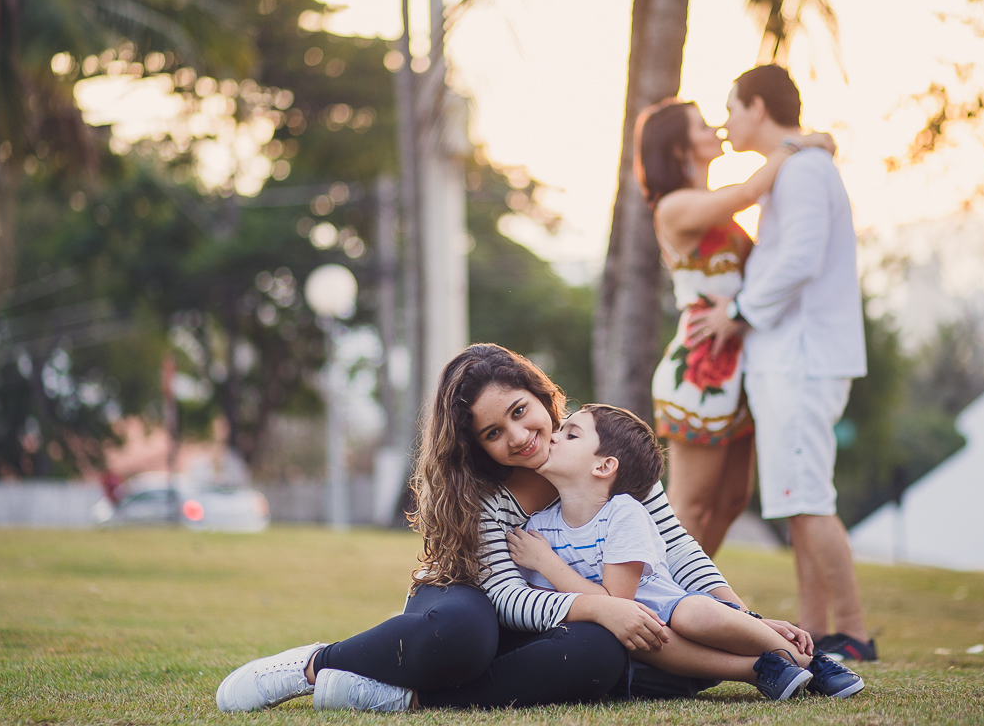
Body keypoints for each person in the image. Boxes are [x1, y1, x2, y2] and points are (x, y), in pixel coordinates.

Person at [216, 344, 809, 712]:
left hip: (559, 612)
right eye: (493, 433)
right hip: (468, 596)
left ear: (541, 395)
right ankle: (316, 663)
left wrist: (748, 621)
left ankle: (411, 698)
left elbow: (679, 550)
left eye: (520, 412)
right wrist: (600, 607)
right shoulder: (489, 497)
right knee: (466, 637)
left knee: (608, 656)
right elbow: (503, 596)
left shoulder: (605, 456)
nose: (519, 438)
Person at [690, 65, 875, 661]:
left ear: (759, 107)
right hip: (797, 356)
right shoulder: (798, 168)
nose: (727, 120)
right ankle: (818, 627)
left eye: (732, 107)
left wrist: (737, 309)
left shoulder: (801, 172)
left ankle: (853, 630)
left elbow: (797, 259)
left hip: (800, 357)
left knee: (807, 497)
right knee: (798, 498)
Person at [507, 403, 865, 701]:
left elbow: (617, 600)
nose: (552, 436)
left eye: (571, 434)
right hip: (639, 631)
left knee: (693, 614)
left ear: (603, 466)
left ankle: (807, 660)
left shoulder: (624, 513)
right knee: (638, 637)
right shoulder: (540, 526)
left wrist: (546, 563)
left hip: (669, 607)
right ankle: (762, 669)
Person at [635, 98, 835, 556]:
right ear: (681, 149)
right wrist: (792, 145)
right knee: (690, 506)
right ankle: (661, 608)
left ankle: (695, 598)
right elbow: (748, 192)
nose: (717, 130)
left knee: (731, 501)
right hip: (700, 368)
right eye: (703, 126)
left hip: (742, 364)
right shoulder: (674, 207)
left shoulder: (711, 203)